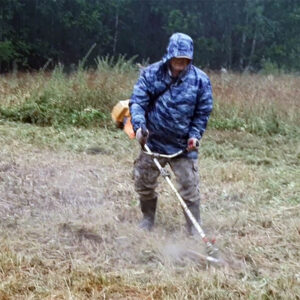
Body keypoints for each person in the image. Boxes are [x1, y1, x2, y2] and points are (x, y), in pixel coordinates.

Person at [129, 33, 213, 234]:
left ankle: (193, 228)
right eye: (177, 58)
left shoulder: (200, 80)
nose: (180, 63)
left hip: (183, 146)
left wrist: (195, 135)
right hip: (153, 142)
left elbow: (202, 112)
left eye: (185, 59)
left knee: (189, 188)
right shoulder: (151, 74)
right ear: (169, 55)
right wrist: (140, 127)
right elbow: (138, 102)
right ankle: (148, 219)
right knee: (144, 182)